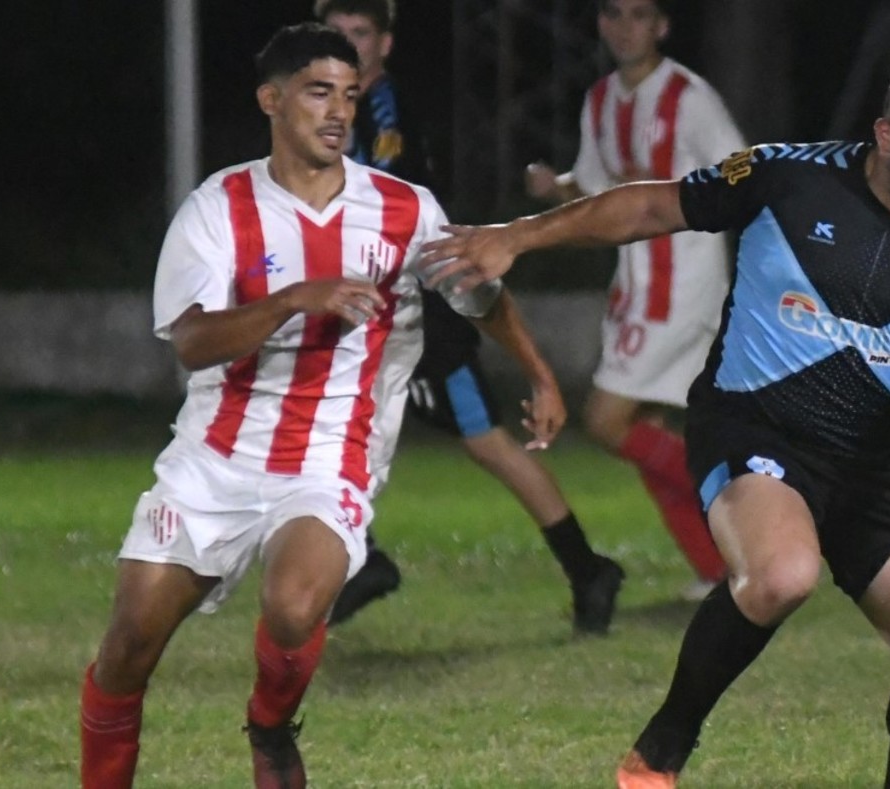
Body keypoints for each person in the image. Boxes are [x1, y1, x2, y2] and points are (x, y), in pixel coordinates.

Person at [423, 55, 890, 788]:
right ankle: (662, 747)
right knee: (781, 573)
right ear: (884, 134)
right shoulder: (788, 178)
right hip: (754, 426)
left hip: (871, 461)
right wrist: (517, 235)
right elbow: (651, 206)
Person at [77, 24, 558, 788]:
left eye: (349, 94)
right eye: (316, 92)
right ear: (272, 100)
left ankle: (269, 729)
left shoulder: (403, 209)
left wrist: (538, 371)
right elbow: (194, 341)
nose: (337, 111)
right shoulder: (218, 208)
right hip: (214, 457)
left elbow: (480, 293)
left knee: (296, 605)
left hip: (330, 455)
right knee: (129, 646)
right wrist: (297, 297)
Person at [315, 0, 626, 633]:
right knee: (328, 428)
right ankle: (361, 557)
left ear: (385, 42)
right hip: (371, 312)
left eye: (360, 33)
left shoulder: (382, 111)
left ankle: (587, 567)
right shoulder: (334, 111)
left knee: (489, 445)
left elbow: (382, 193)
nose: (348, 45)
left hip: (424, 317)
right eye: (336, 34)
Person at [523, 0, 747, 600]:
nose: (626, 27)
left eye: (640, 15)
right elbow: (597, 191)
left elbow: (742, 174)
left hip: (684, 283)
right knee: (646, 429)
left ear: (663, 25)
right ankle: (718, 570)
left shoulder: (689, 98)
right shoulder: (600, 100)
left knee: (605, 419)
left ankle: (746, 515)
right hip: (636, 282)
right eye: (614, 14)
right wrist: (558, 188)